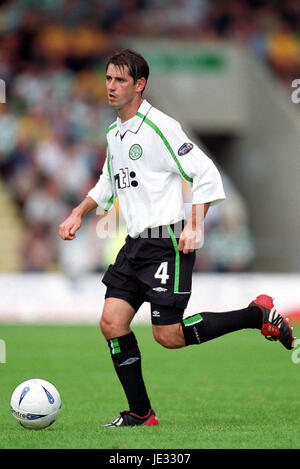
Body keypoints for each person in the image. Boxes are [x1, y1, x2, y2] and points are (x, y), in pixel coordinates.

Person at [59, 49, 295, 427]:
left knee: (167, 336)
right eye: (108, 79)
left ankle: (257, 315)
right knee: (111, 323)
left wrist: (195, 223)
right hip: (134, 245)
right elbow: (108, 181)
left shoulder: (160, 128)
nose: (111, 87)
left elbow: (205, 174)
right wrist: (78, 212)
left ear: (140, 85)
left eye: (120, 80)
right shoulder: (114, 133)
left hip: (165, 242)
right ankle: (141, 413)